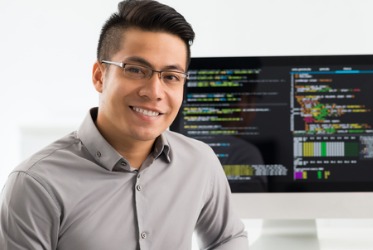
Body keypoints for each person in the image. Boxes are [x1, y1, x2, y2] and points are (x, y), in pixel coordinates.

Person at [0, 0, 249, 249]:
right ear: (99, 76)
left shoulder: (200, 162)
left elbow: (229, 237)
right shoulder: (35, 184)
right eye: (136, 70)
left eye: (171, 77)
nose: (154, 92)